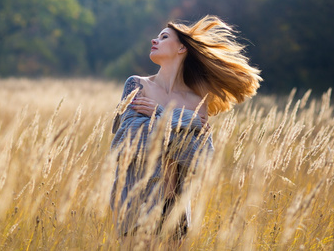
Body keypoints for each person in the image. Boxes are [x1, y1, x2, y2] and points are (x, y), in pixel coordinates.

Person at [110, 15, 262, 237]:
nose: (154, 40)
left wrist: (160, 114)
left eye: (163, 37)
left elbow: (202, 159)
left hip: (176, 207)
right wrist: (183, 122)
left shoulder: (197, 100)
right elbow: (131, 140)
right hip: (136, 201)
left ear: (182, 48)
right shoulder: (137, 84)